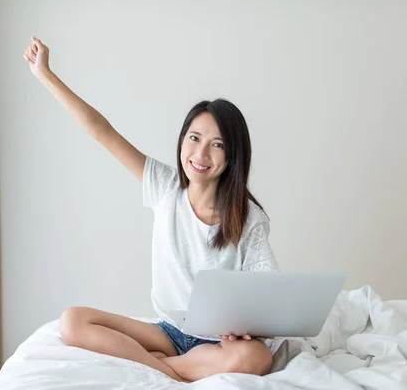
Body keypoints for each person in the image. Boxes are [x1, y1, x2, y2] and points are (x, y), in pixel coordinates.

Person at [23, 36, 281, 383]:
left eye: (217, 145)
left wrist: (252, 331)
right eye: (194, 138)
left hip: (221, 341)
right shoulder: (165, 187)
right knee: (73, 321)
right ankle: (173, 368)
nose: (201, 154)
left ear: (233, 156)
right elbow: (102, 132)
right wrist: (46, 75)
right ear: (182, 140)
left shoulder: (249, 219)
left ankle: (164, 367)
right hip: (168, 334)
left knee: (257, 357)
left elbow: (269, 298)